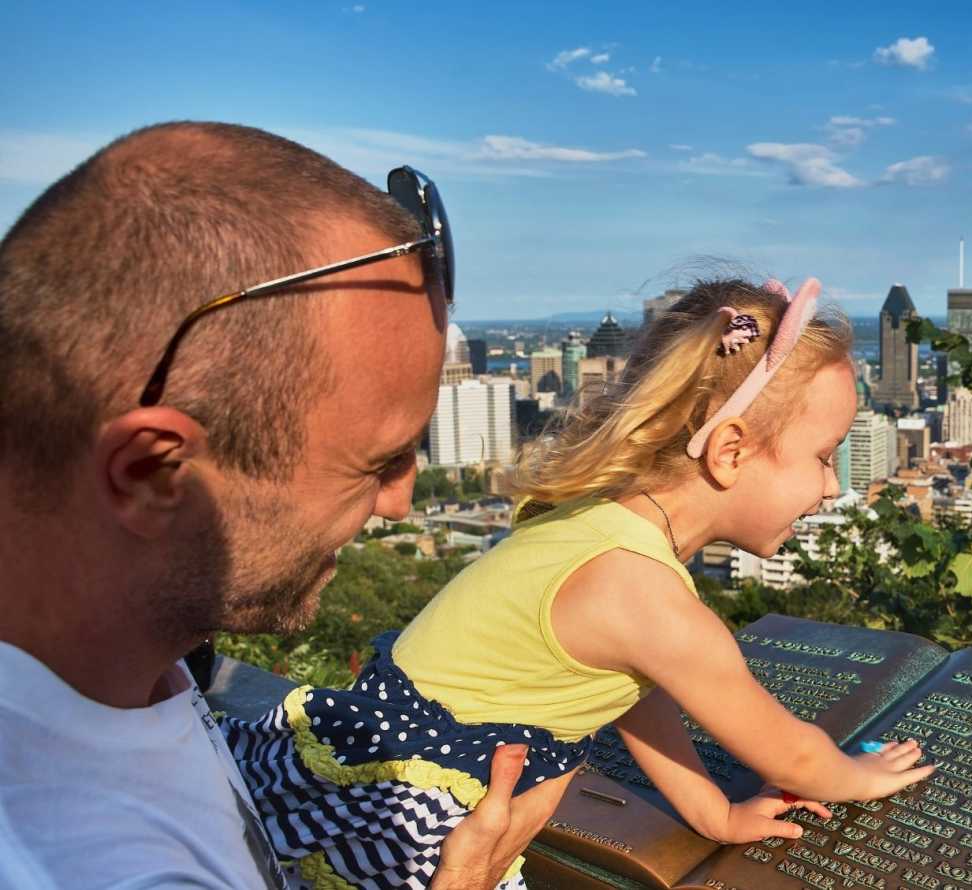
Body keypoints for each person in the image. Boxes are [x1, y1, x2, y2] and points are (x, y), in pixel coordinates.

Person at [225, 277, 936, 888]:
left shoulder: (602, 528)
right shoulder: (646, 597)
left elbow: (628, 695)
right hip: (417, 829)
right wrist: (861, 776)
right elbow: (792, 755)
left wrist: (712, 814)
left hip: (375, 779)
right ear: (729, 452)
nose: (833, 487)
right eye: (822, 456)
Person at [0, 122, 558, 889]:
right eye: (377, 463)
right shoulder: (71, 859)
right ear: (150, 473)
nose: (399, 502)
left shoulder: (124, 657)